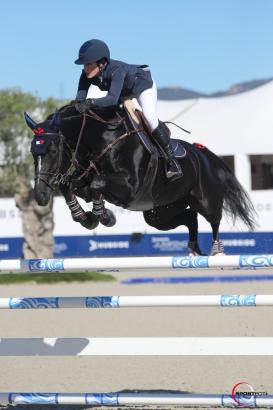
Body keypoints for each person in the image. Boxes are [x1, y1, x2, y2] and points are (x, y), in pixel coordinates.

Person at [74, 39, 182, 179]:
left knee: (149, 117)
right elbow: (79, 101)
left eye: (89, 64)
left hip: (142, 86)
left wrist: (91, 102)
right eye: (84, 65)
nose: (85, 68)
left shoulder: (116, 70)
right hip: (122, 92)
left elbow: (112, 99)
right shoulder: (86, 75)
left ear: (102, 63)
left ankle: (172, 162)